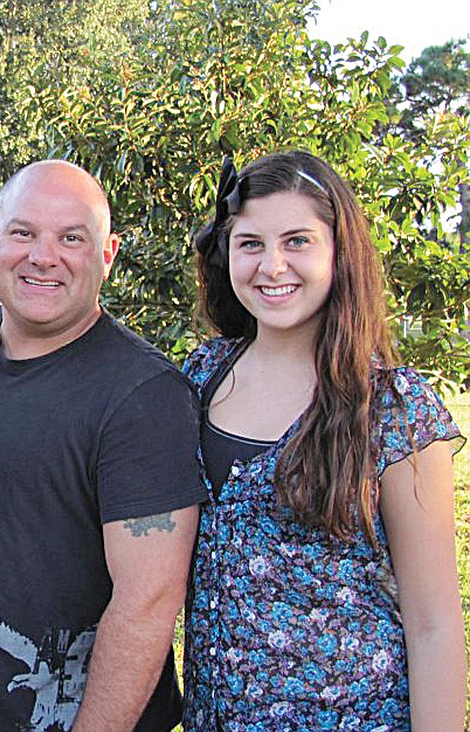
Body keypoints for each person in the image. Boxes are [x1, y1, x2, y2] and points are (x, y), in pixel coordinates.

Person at [0, 159, 205, 731]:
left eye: (71, 238)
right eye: (23, 233)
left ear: (107, 254)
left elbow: (147, 602)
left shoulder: (142, 395)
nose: (43, 257)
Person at [183, 151, 466, 729]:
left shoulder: (391, 408)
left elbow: (434, 623)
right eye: (251, 244)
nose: (272, 265)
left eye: (297, 242)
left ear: (340, 253)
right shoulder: (199, 377)